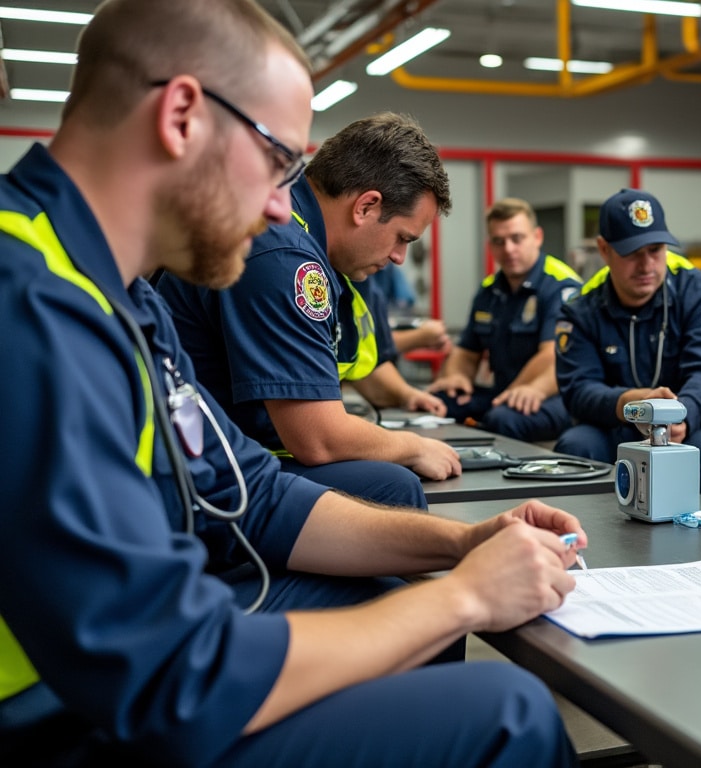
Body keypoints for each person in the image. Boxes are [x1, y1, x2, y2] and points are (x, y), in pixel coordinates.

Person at [0, 1, 583, 765]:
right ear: (181, 116)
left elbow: (259, 494)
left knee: (399, 608)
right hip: (53, 712)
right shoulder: (30, 304)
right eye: (277, 162)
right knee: (507, 711)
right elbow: (172, 677)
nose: (282, 205)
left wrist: (463, 544)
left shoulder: (119, 291)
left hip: (140, 657)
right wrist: (466, 596)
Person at [159, 112, 461, 509]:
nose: (400, 257)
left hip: (223, 449)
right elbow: (318, 439)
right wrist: (411, 447)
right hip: (202, 476)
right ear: (366, 206)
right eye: (402, 238)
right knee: (395, 485)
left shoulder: (304, 240)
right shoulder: (287, 257)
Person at [554, 188, 701, 495]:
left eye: (655, 249)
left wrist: (679, 415)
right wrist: (633, 404)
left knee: (693, 461)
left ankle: (693, 542)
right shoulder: (581, 308)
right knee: (574, 447)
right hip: (613, 426)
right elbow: (578, 389)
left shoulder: (697, 292)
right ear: (604, 249)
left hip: (687, 424)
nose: (647, 265)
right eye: (632, 253)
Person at [428, 198, 581, 442]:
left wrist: (509, 396)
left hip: (555, 396)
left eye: (517, 238)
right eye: (499, 241)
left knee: (502, 418)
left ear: (537, 237)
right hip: (506, 394)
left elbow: (551, 355)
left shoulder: (562, 286)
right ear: (491, 245)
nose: (508, 249)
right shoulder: (489, 290)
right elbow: (467, 350)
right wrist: (457, 377)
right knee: (440, 402)